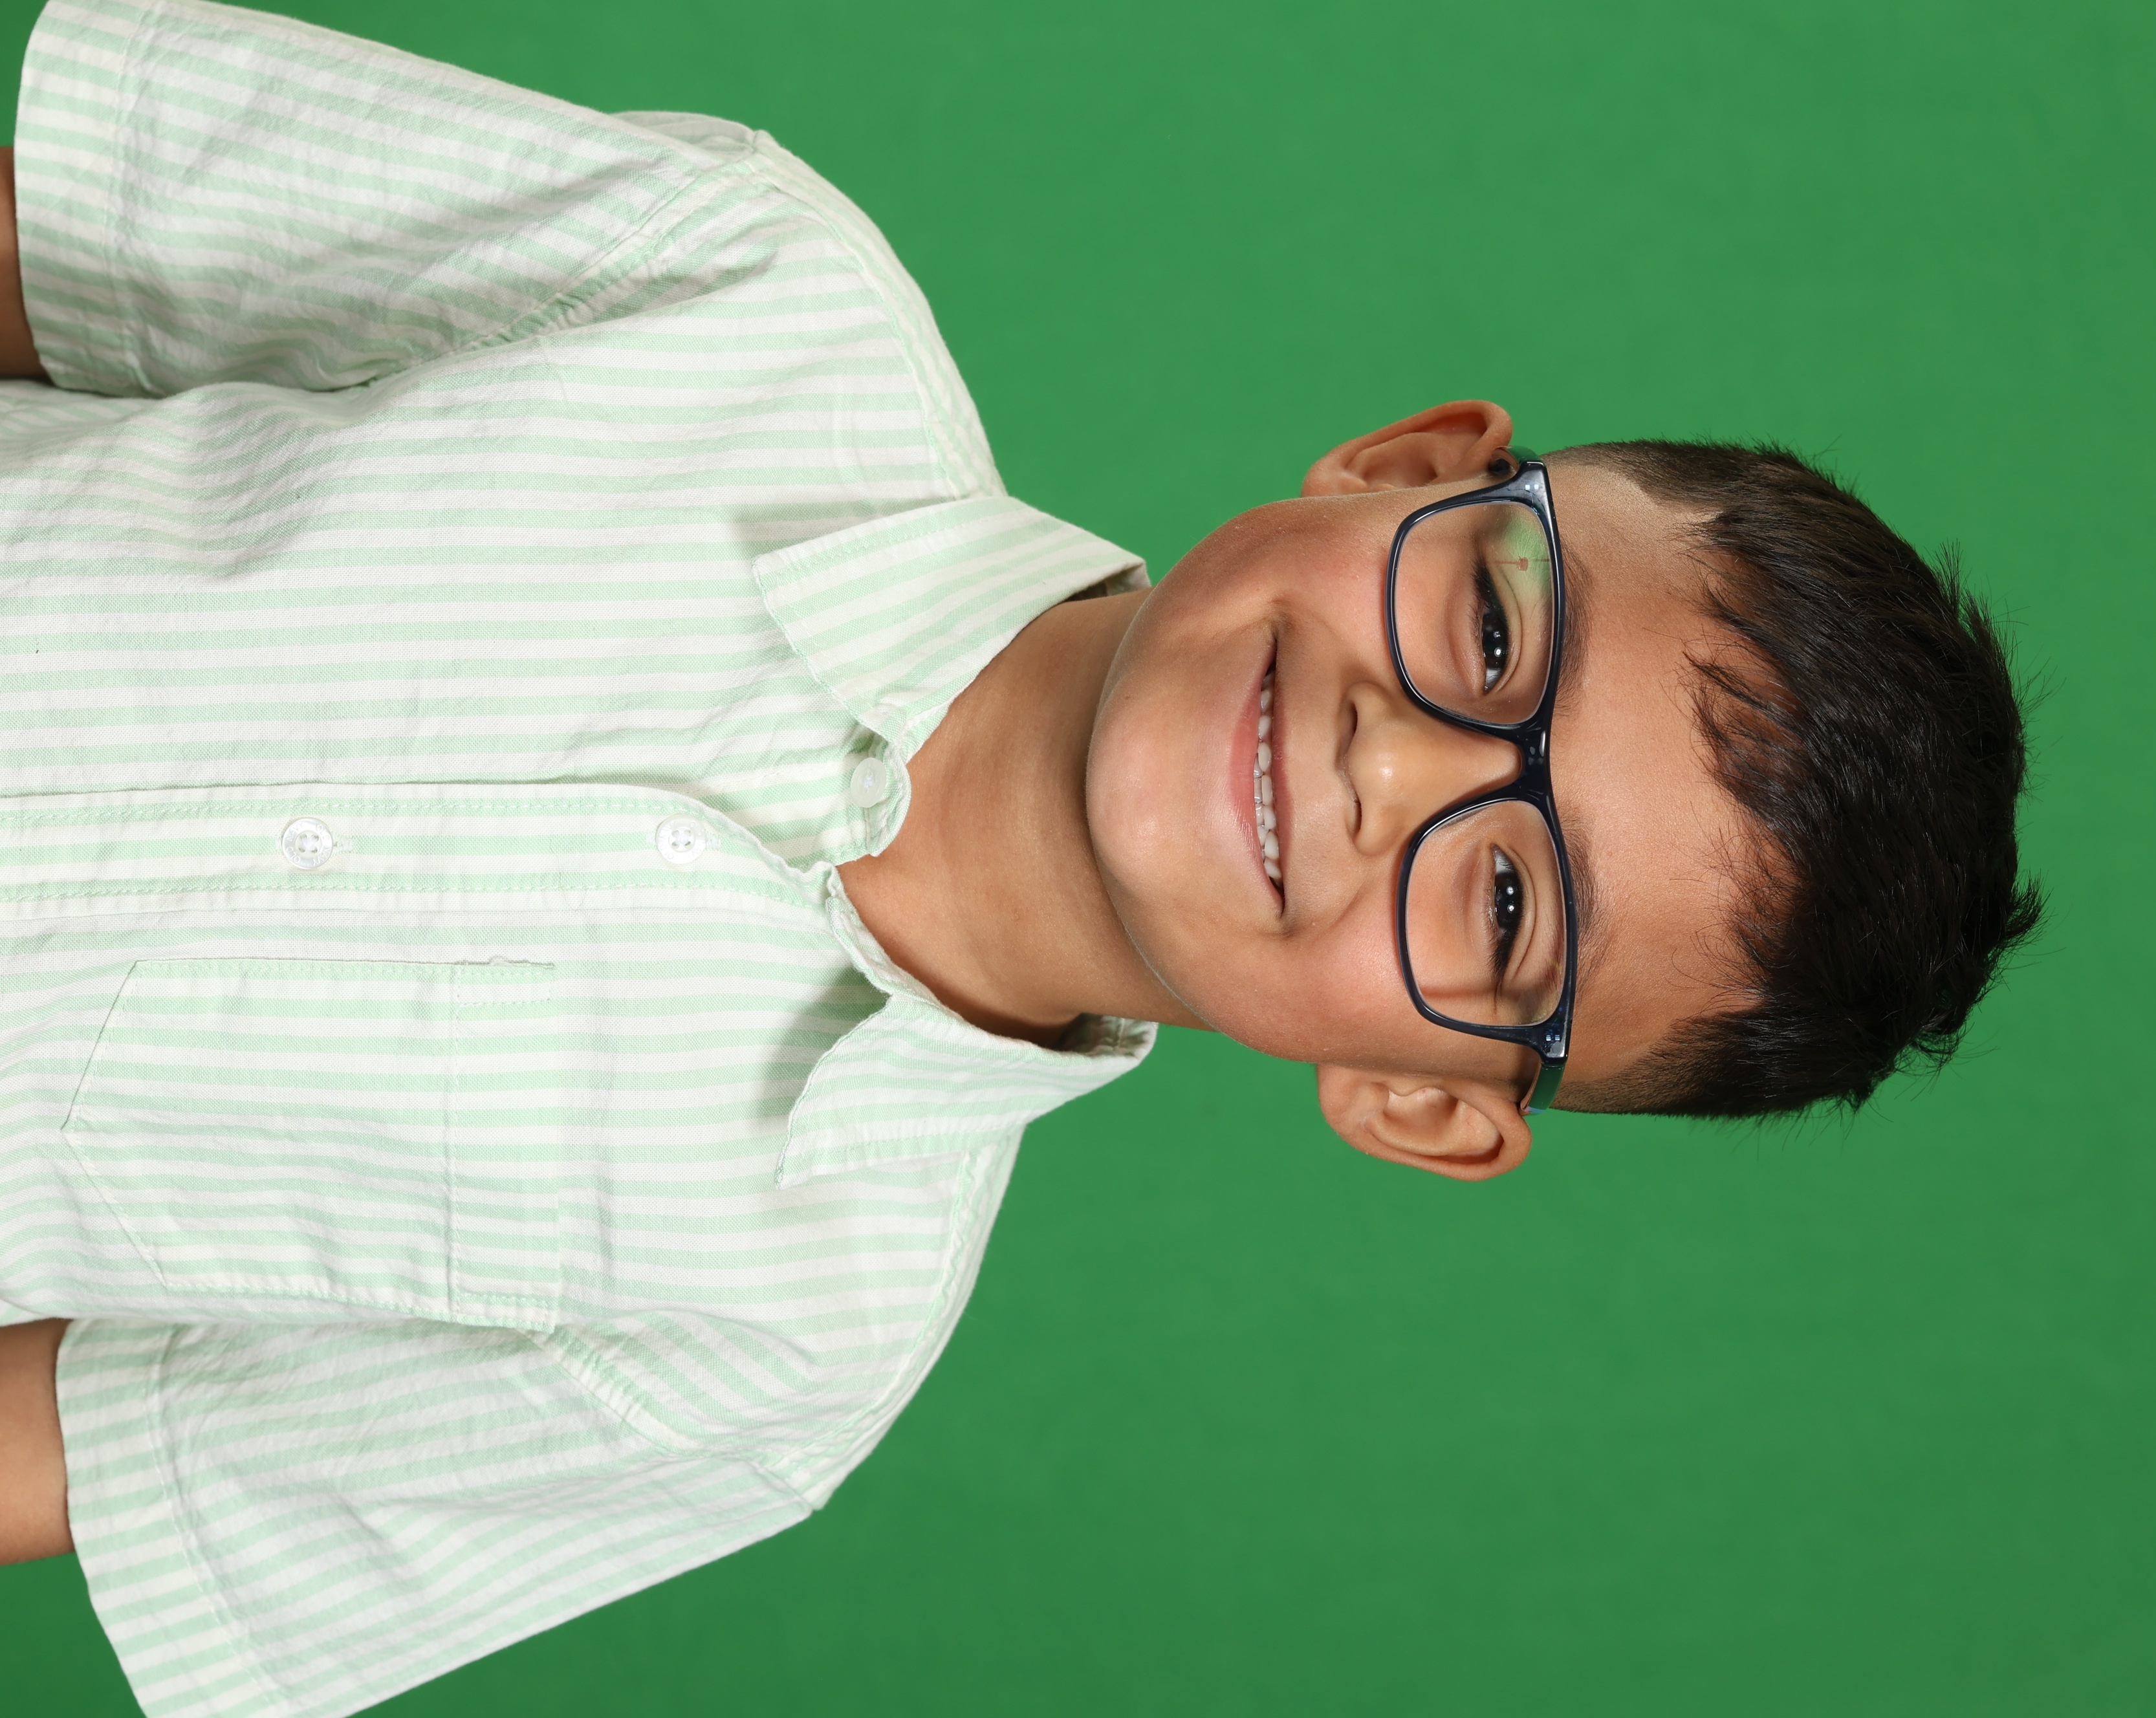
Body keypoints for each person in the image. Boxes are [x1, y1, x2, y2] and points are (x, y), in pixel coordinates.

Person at [0, 0, 2041, 1713]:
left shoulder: (783, 1358)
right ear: (1409, 466)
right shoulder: (749, 286)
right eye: (1494, 635)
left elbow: (87, 1442)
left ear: (1419, 1096)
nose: (1392, 760)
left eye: (1508, 902)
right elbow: (64, 253)